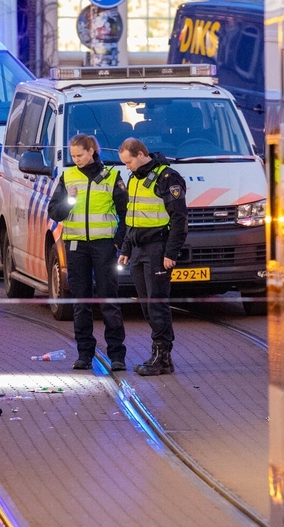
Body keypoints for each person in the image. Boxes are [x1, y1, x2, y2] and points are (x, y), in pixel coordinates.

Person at [47, 134, 128, 371]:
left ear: (91, 151)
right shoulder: (68, 176)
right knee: (80, 301)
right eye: (73, 156)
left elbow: (125, 212)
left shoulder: (112, 177)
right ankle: (84, 354)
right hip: (76, 246)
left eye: (79, 155)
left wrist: (117, 242)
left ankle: (117, 355)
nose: (76, 160)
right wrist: (68, 200)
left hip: (103, 246)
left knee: (108, 300)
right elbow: (54, 212)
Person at [116, 138, 188, 376]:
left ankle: (162, 356)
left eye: (128, 162)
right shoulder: (134, 179)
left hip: (157, 248)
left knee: (157, 304)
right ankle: (160, 356)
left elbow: (179, 218)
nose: (126, 167)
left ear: (140, 154)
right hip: (138, 249)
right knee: (147, 305)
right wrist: (126, 248)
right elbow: (131, 217)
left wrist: (170, 253)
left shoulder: (167, 178)